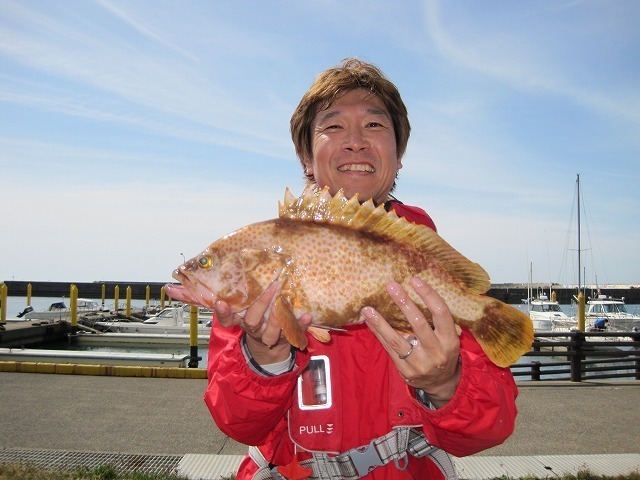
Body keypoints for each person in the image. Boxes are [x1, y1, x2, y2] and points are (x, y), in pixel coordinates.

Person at [205, 58, 518, 480]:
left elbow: (488, 430)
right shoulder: (261, 263)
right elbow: (237, 424)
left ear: (399, 154)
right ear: (306, 156)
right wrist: (263, 357)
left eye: (374, 125)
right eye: (333, 126)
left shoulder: (427, 267)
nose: (355, 142)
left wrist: (445, 383)